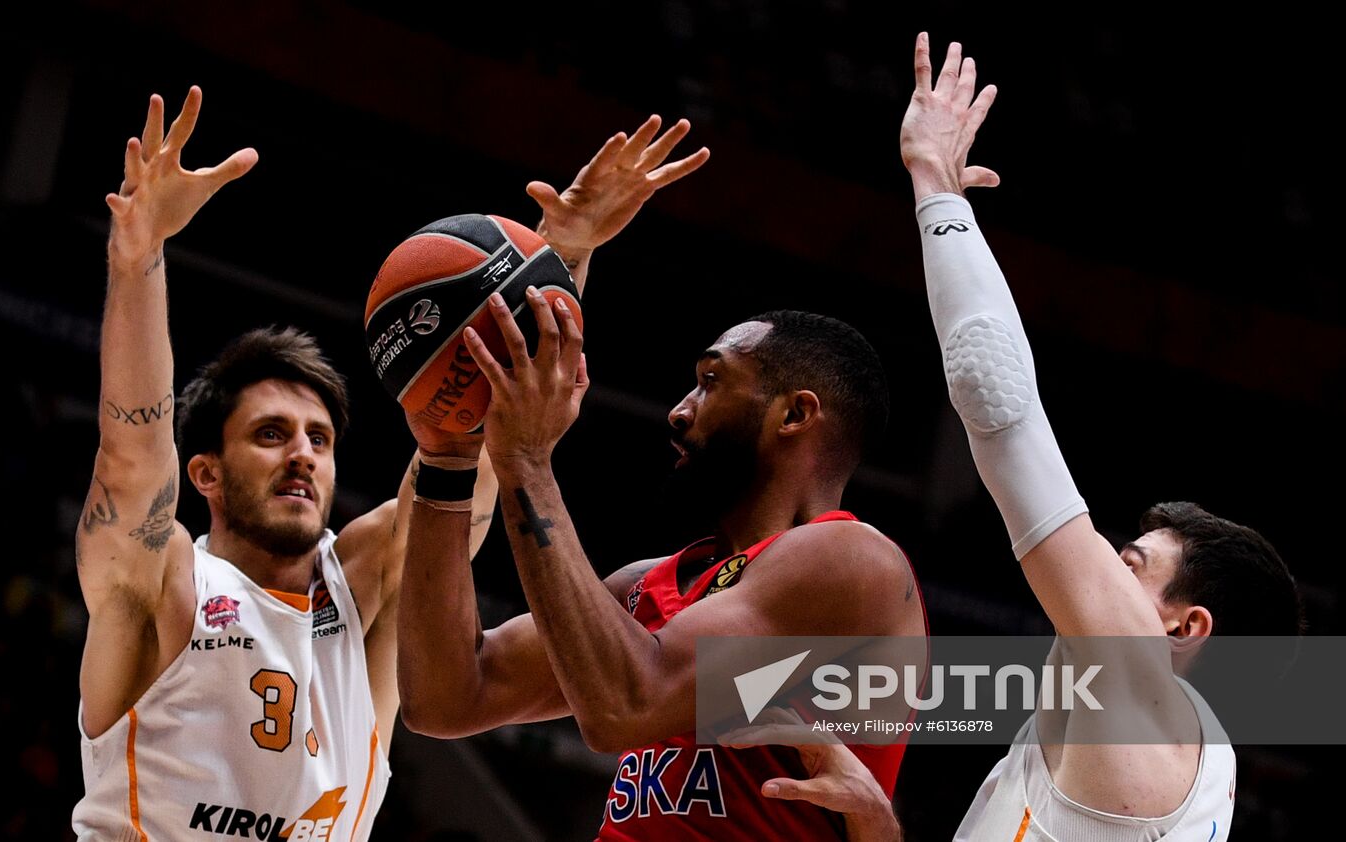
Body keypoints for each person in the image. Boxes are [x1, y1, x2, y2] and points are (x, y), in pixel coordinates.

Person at [70, 85, 704, 840]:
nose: (303, 453)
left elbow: (473, 462)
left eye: (320, 437)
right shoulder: (165, 583)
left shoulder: (364, 584)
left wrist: (557, 257)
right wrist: (138, 255)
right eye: (271, 434)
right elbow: (132, 460)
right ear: (204, 472)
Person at [769, 33, 1303, 841]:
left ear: (1183, 629)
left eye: (1131, 565)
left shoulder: (1135, 698)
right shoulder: (1172, 756)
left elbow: (994, 394)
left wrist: (935, 186)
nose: (1096, 564)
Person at [398, 264, 928, 834]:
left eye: (711, 380)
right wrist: (446, 459)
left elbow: (627, 707)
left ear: (794, 414)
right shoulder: (650, 583)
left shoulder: (850, 558)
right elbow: (447, 697)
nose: (679, 410)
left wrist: (525, 461)